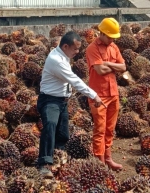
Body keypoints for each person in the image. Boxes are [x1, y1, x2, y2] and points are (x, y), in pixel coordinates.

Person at [37, 31, 104, 178]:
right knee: (50, 127)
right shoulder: (57, 60)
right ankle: (44, 164)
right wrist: (93, 95)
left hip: (61, 101)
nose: (77, 52)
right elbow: (75, 80)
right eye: (75, 48)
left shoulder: (63, 55)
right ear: (66, 46)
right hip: (50, 101)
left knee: (63, 134)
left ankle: (58, 159)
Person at [85, 17, 126, 171]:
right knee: (99, 130)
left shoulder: (114, 47)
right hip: (98, 95)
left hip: (113, 93)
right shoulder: (92, 48)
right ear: (101, 33)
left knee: (110, 128)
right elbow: (99, 70)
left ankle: (108, 158)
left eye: (113, 37)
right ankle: (99, 162)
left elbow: (124, 67)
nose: (111, 40)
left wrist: (108, 63)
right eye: (109, 37)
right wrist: (114, 66)